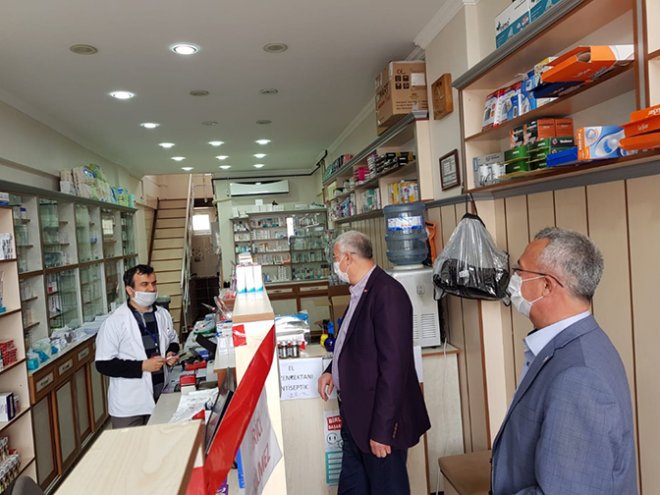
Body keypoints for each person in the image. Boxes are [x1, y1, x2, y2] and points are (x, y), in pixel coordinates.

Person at [492, 227, 637, 494]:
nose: (513, 278)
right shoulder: (578, 343)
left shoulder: (579, 376)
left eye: (520, 270)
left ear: (546, 285)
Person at [317, 230, 430, 494]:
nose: (335, 265)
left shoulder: (387, 293)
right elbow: (353, 343)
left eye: (336, 258)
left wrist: (382, 430)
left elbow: (395, 368)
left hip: (379, 424)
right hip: (356, 419)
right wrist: (331, 370)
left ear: (348, 258)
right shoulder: (361, 290)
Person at [95, 264, 180, 428]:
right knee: (132, 444)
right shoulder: (115, 322)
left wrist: (171, 353)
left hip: (160, 397)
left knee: (160, 441)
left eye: (153, 283)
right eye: (144, 284)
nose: (151, 289)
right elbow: (103, 364)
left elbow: (173, 340)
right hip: (129, 406)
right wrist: (142, 366)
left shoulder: (162, 314)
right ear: (130, 290)